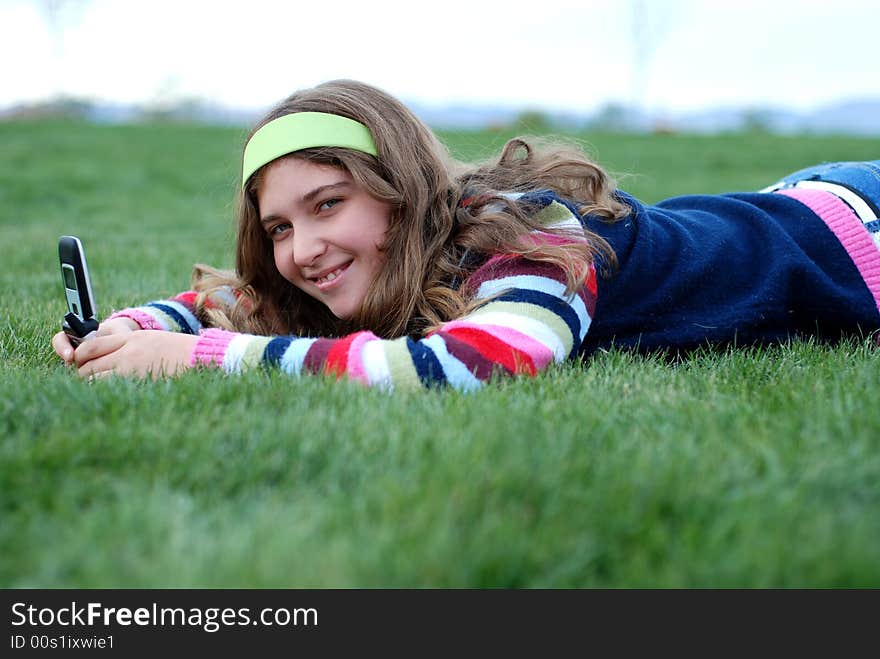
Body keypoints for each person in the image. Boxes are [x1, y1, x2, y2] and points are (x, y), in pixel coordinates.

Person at [52, 80, 880, 389]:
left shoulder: (528, 237)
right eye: (278, 225)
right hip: (785, 201)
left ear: (401, 192)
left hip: (853, 229)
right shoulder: (369, 269)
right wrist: (140, 328)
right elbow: (250, 300)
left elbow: (467, 364)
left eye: (329, 203)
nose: (301, 247)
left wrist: (203, 358)